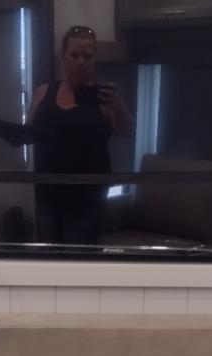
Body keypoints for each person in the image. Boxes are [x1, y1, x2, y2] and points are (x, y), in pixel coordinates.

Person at [29, 25, 134, 245]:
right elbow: (29, 131)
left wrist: (119, 107)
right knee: (47, 259)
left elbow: (126, 132)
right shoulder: (43, 93)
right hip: (46, 194)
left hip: (87, 199)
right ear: (63, 56)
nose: (80, 61)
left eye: (87, 56)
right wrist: (15, 134)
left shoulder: (104, 99)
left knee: (76, 260)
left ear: (94, 59)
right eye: (75, 55)